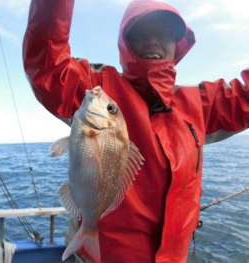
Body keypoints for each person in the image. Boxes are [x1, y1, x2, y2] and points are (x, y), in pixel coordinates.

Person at [22, 0, 249, 262]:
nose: (153, 41)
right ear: (125, 43)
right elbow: (47, 64)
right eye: (141, 33)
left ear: (178, 44)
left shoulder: (201, 103)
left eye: (164, 34)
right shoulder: (99, 88)